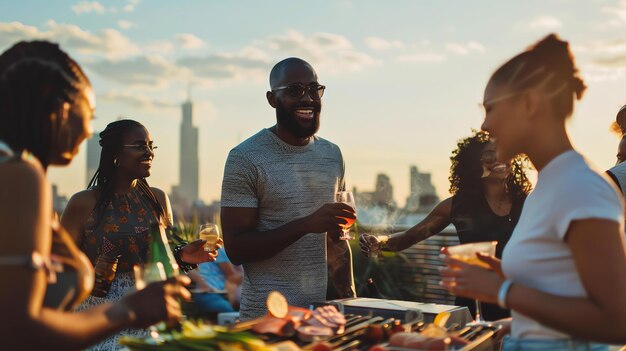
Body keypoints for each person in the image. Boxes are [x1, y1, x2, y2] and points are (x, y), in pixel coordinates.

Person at [0, 40, 191, 351]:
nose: (89, 130)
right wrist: (129, 310)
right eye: (88, 114)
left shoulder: (16, 173)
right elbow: (21, 330)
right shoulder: (19, 174)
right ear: (62, 110)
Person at [441, 34, 626, 349]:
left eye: (491, 109)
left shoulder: (581, 186)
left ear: (529, 103)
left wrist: (501, 291)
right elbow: (564, 298)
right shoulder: (550, 184)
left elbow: (616, 322)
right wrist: (509, 306)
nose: (485, 125)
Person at [61, 119, 219, 350]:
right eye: (139, 146)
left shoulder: (158, 200)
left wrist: (183, 256)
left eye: (150, 146)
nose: (148, 152)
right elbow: (61, 265)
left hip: (149, 309)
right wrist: (90, 273)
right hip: (100, 314)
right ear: (116, 154)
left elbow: (158, 262)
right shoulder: (83, 202)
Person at [221, 57, 357, 320]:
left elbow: (335, 239)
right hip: (264, 321)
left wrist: (349, 300)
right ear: (272, 99)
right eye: (295, 90)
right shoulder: (245, 157)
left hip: (318, 320)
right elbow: (237, 249)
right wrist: (306, 225)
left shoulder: (332, 154)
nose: (308, 98)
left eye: (314, 89)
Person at [360, 130, 531, 321]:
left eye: (503, 152)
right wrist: (379, 242)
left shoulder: (531, 202)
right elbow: (411, 236)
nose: (498, 158)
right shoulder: (458, 206)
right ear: (474, 162)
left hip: (520, 303)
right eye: (489, 154)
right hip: (474, 308)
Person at [188, 247, 243, 315]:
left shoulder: (227, 251)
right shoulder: (219, 250)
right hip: (209, 294)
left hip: (217, 294)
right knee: (228, 313)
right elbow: (233, 277)